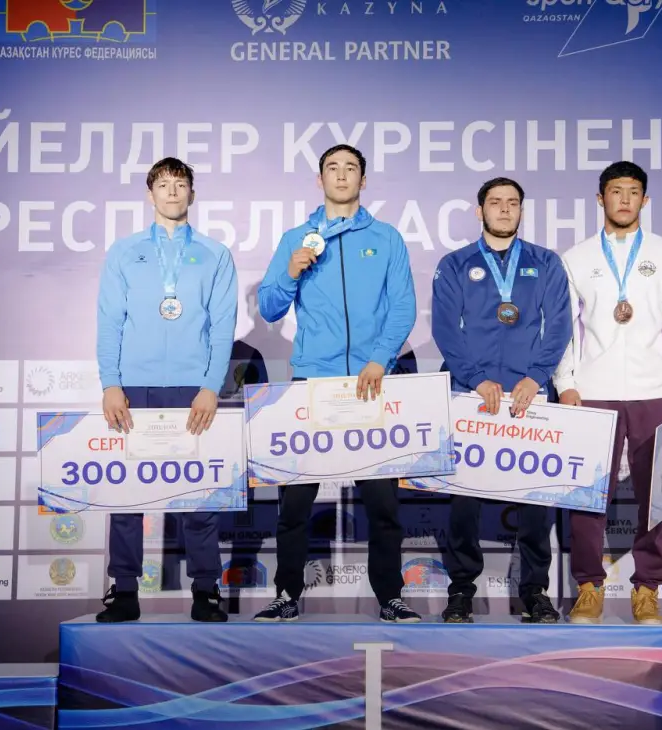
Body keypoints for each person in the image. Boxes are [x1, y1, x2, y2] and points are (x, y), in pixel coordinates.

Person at [253, 144, 421, 623]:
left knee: (383, 504)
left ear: (363, 180)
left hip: (372, 383)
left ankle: (390, 596)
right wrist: (290, 273)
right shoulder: (297, 238)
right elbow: (269, 308)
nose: (342, 175)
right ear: (319, 179)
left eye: (351, 169)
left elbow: (403, 306)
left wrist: (379, 360)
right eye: (333, 168)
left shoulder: (386, 238)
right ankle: (287, 594)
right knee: (295, 501)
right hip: (314, 382)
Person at [554, 160, 662, 625]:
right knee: (587, 495)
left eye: (633, 191)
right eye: (616, 191)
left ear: (645, 199)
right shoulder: (577, 257)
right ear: (600, 198)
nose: (624, 199)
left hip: (655, 389)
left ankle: (647, 591)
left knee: (658, 496)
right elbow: (562, 327)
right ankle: (588, 588)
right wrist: (566, 382)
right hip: (593, 391)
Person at [94, 157, 238, 623]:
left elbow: (223, 325)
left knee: (199, 494)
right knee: (127, 495)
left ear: (192, 194)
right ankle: (125, 590)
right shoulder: (124, 252)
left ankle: (205, 590)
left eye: (180, 184)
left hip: (192, 387)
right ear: (149, 194)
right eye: (163, 184)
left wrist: (211, 386)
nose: (172, 192)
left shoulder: (215, 253)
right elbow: (109, 321)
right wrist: (111, 383)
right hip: (135, 386)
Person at [431, 177, 572, 624]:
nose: (505, 209)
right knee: (464, 503)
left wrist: (536, 377)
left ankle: (534, 592)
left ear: (522, 210)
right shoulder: (455, 264)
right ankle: (461, 591)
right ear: (480, 211)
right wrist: (475, 379)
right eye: (495, 202)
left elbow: (560, 325)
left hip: (529, 397)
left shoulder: (545, 262)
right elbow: (445, 329)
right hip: (471, 396)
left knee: (535, 505)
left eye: (513, 203)